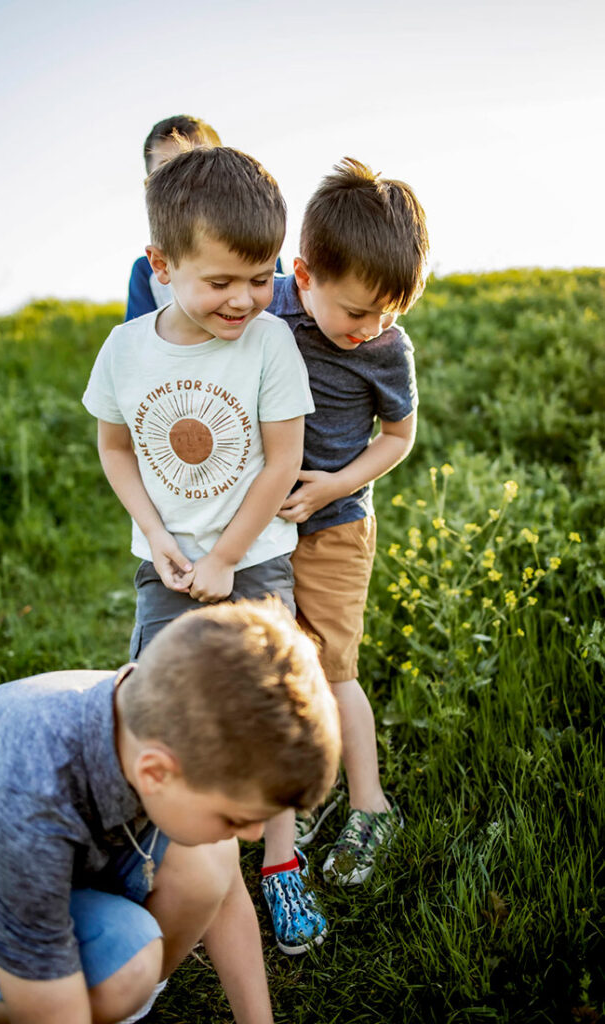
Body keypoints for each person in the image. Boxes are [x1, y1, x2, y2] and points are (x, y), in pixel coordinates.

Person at [83, 144, 326, 955]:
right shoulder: (125, 351)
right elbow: (115, 449)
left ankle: (281, 866)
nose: (245, 299)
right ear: (162, 264)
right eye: (220, 282)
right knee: (159, 703)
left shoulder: (268, 346)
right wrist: (158, 539)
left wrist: (226, 555)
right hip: (166, 566)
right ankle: (169, 856)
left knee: (266, 709)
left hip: (252, 560)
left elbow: (283, 459)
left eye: (260, 279)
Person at [0, 599, 341, 1024]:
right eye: (234, 818)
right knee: (126, 964)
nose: (254, 833)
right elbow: (54, 1014)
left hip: (17, 867)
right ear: (156, 773)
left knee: (210, 861)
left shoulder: (153, 717)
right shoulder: (26, 809)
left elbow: (226, 892)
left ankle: (112, 1004)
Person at [269, 158, 429, 885]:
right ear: (304, 275)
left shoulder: (388, 352)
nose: (372, 329)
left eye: (389, 313)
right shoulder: (270, 309)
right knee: (280, 666)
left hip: (334, 529)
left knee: (333, 670)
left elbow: (397, 438)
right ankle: (312, 790)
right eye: (359, 311)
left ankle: (371, 805)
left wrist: (334, 483)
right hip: (263, 528)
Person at [125, 114, 222, 323]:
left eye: (198, 165)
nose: (183, 181)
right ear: (149, 188)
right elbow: (137, 345)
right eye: (166, 169)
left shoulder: (257, 249)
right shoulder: (146, 272)